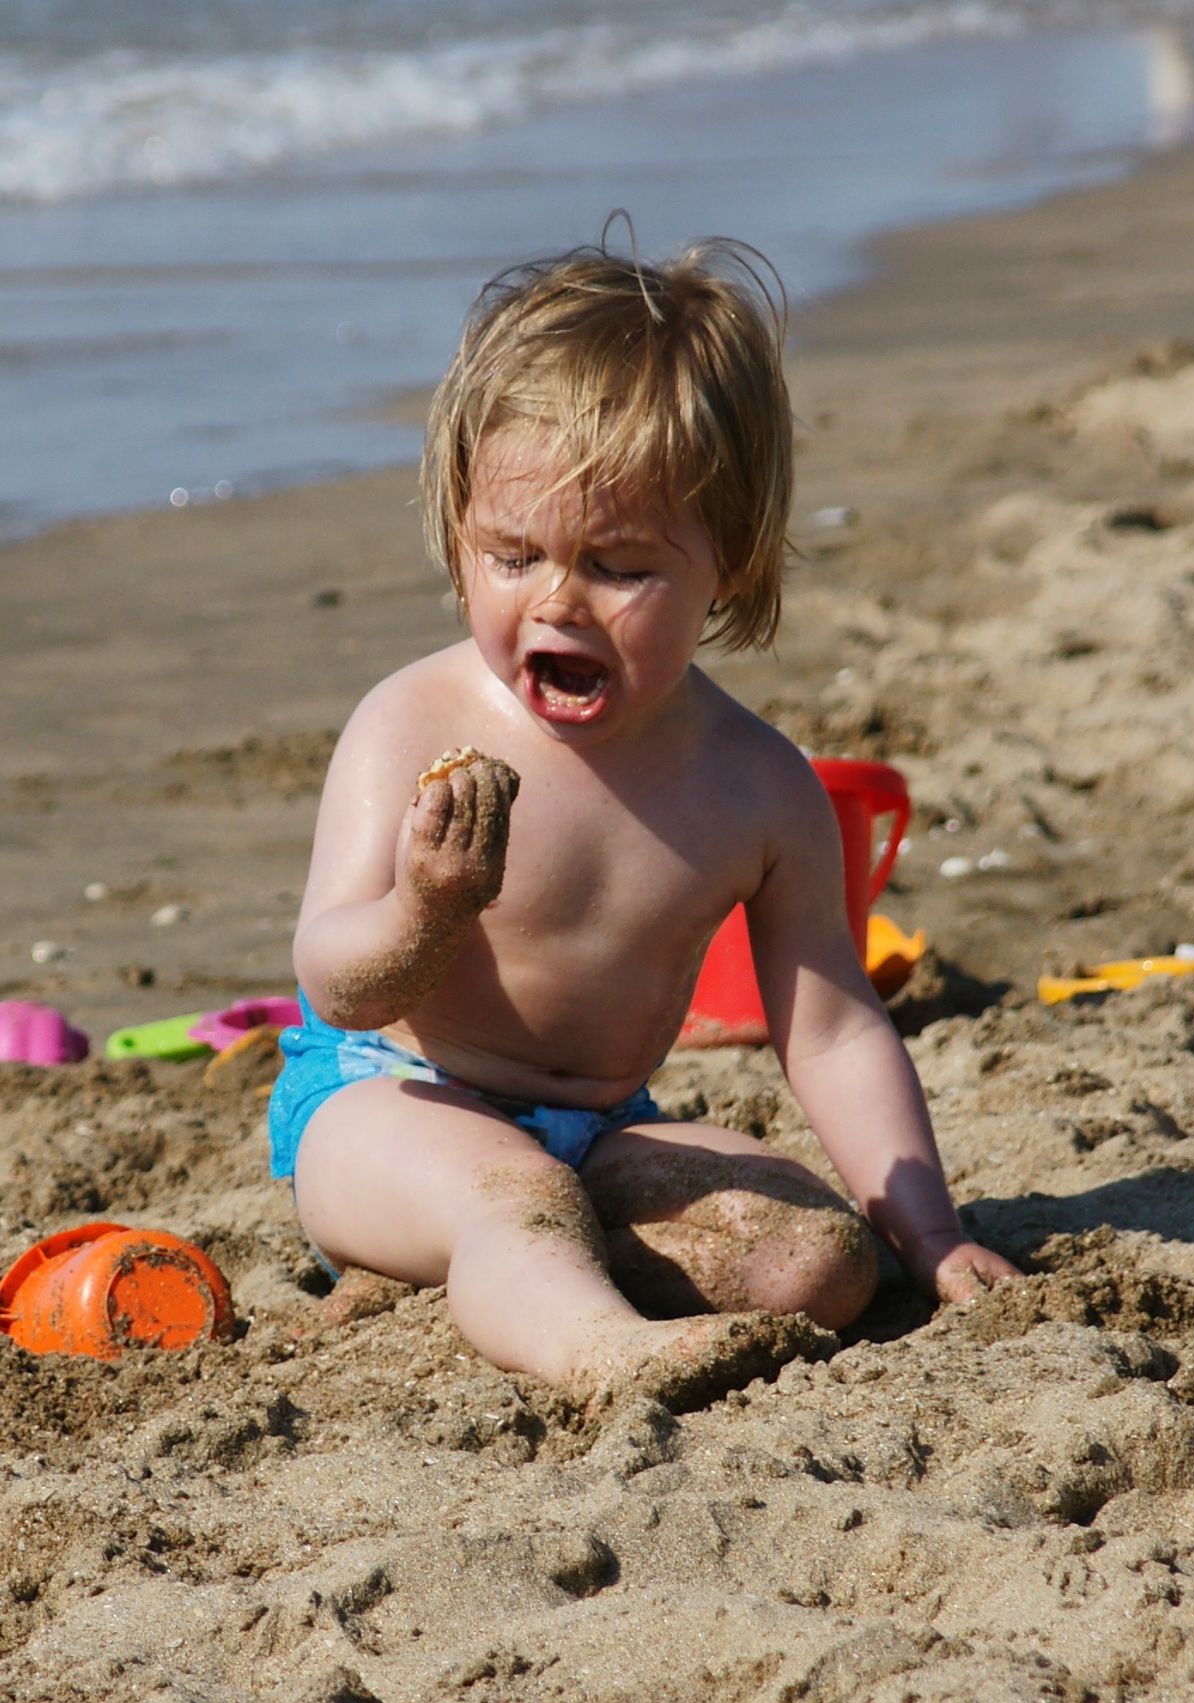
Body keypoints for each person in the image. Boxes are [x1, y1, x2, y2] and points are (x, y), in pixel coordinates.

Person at [268, 233, 1018, 1406]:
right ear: (458, 527)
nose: (556, 598)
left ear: (732, 561)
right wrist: (426, 911)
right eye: (511, 554)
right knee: (511, 1196)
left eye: (620, 566)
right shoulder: (409, 721)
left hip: (602, 1127)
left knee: (818, 1261)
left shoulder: (755, 785)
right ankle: (599, 1345)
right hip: (382, 1101)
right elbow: (337, 982)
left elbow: (829, 1030)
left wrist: (930, 1233)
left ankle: (507, 1273)